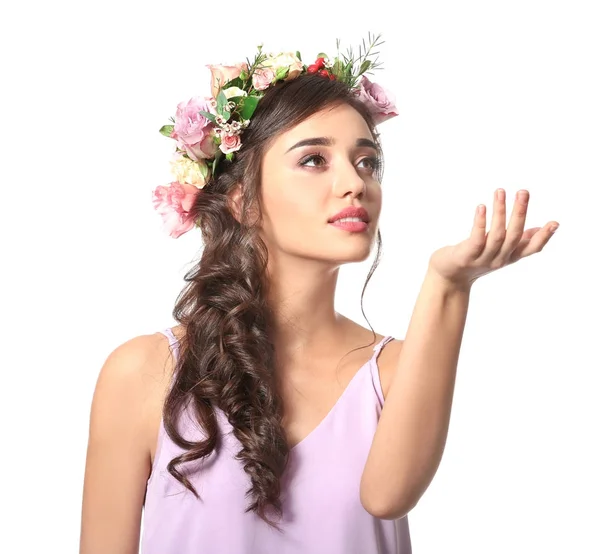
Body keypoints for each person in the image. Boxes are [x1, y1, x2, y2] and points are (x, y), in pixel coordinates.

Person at [79, 36, 559, 554]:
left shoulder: (395, 371)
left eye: (367, 162)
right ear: (241, 198)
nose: (355, 183)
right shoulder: (142, 373)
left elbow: (387, 497)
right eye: (313, 160)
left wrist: (448, 285)